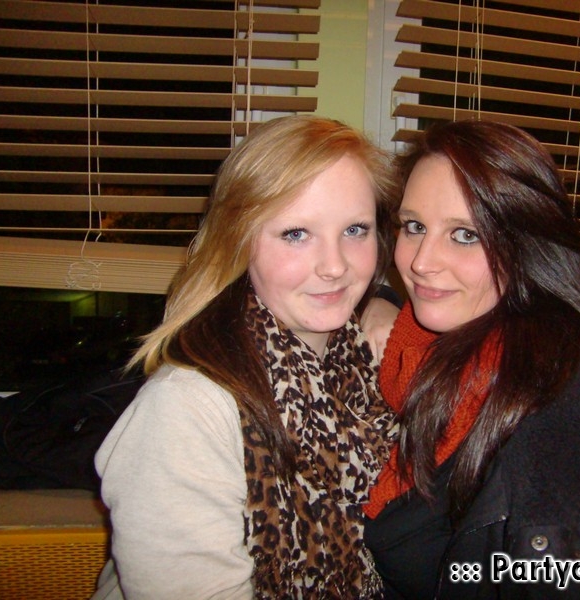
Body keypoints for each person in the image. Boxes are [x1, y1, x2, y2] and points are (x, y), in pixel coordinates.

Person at [362, 120, 580, 599]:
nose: (421, 261)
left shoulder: (553, 428)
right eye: (415, 226)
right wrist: (376, 300)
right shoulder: (426, 351)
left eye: (465, 234)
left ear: (528, 246)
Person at [91, 115, 399, 600]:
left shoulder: (366, 365)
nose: (335, 265)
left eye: (355, 229)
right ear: (238, 239)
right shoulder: (186, 410)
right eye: (295, 233)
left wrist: (386, 300)